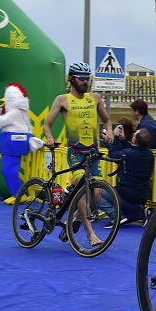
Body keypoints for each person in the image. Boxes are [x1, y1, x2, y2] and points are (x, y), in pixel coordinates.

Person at [43, 62, 113, 247]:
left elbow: (107, 120)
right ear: (71, 79)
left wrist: (110, 131)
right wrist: (49, 138)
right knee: (83, 190)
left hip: (93, 152)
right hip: (76, 152)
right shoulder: (62, 100)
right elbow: (46, 125)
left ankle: (72, 220)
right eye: (81, 78)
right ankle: (91, 234)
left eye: (87, 77)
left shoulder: (95, 98)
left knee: (97, 193)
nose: (85, 81)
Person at [104, 125, 154, 225]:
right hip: (142, 194)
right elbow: (132, 150)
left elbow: (114, 154)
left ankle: (117, 215)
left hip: (127, 193)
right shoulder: (149, 154)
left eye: (134, 134)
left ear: (134, 140)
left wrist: (112, 138)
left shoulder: (130, 154)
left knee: (98, 193)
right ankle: (136, 211)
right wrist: (122, 140)